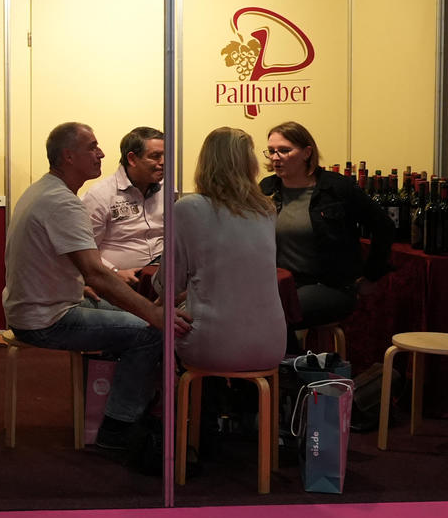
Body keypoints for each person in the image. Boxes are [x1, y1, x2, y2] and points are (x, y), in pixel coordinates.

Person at [5, 122, 190, 452]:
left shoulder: (45, 191)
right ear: (68, 156)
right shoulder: (63, 202)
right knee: (151, 333)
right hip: (47, 319)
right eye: (92, 147)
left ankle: (136, 410)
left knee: (145, 320)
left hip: (47, 306)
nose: (101, 153)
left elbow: (84, 272)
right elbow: (95, 274)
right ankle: (118, 429)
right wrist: (154, 315)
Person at [260, 121, 394, 343]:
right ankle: (290, 363)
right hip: (281, 285)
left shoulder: (336, 188)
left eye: (284, 150)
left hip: (330, 286)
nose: (275, 157)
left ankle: (291, 365)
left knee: (274, 314)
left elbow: (384, 227)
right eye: (271, 151)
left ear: (307, 153)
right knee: (251, 310)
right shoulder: (267, 188)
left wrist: (372, 276)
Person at [168, 127, 287, 374]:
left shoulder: (188, 207)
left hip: (211, 346)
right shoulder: (266, 209)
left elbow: (170, 284)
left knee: (155, 327)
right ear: (250, 163)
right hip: (272, 344)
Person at [83, 126, 165, 295]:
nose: (163, 162)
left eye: (166, 155)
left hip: (160, 278)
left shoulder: (168, 189)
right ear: (132, 159)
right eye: (155, 156)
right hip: (119, 284)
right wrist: (114, 272)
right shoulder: (100, 195)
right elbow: (84, 251)